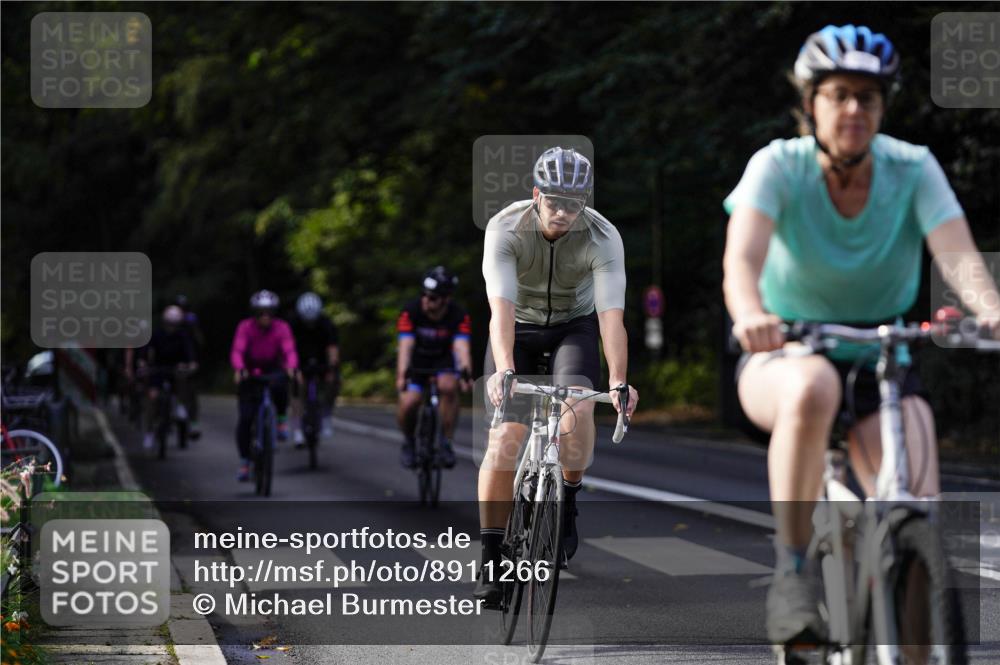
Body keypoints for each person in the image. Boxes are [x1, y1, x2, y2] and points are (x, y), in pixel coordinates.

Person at [721, 25, 1000, 647]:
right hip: (785, 352)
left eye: (867, 98)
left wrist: (990, 308)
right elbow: (741, 261)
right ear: (811, 103)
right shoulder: (778, 166)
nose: (853, 109)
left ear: (882, 106)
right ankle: (792, 575)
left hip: (883, 363)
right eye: (839, 94)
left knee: (917, 509)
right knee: (813, 386)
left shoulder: (912, 167)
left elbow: (958, 258)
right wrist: (750, 316)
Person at [475, 147, 638, 605]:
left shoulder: (603, 236)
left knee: (579, 410)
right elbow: (500, 308)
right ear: (535, 195)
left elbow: (611, 318)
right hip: (519, 328)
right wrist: (504, 367)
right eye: (554, 202)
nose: (564, 213)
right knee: (504, 440)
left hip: (575, 325)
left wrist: (619, 381)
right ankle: (491, 559)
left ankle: (566, 502)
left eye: (574, 203)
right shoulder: (506, 228)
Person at [395, 266, 473, 470]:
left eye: (433, 298)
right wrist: (402, 374)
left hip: (443, 361)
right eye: (424, 295)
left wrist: (466, 373)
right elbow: (406, 345)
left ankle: (446, 442)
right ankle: (409, 441)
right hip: (417, 361)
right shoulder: (411, 311)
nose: (426, 301)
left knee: (448, 387)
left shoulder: (458, 315)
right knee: (410, 402)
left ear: (446, 299)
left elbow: (461, 347)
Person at [229, 290, 298, 481]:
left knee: (282, 383)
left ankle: (281, 419)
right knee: (245, 419)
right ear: (255, 313)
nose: (265, 317)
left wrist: (292, 367)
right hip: (250, 373)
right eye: (261, 312)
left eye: (269, 312)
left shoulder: (282, 327)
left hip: (273, 370)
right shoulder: (245, 327)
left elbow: (289, 349)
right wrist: (240, 368)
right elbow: (237, 350)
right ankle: (244, 461)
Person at [135, 305, 197, 450]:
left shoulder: (182, 335)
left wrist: (191, 364)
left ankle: (180, 405)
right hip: (158, 369)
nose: (172, 327)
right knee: (152, 398)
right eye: (170, 324)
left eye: (175, 324)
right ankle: (150, 432)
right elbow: (145, 349)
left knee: (183, 382)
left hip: (176, 369)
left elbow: (189, 352)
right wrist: (143, 362)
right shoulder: (156, 334)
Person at [289, 292, 341, 447]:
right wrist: (293, 368)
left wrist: (332, 367)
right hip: (300, 361)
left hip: (321, 361)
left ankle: (326, 414)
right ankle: (297, 428)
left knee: (334, 381)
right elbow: (288, 349)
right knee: (296, 388)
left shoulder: (327, 324)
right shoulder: (293, 324)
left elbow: (333, 349)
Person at [174, 294, 206, 439]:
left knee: (192, 393)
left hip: (191, 360)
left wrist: (196, 360)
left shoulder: (191, 321)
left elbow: (199, 342)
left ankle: (193, 423)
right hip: (175, 361)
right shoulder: (171, 321)